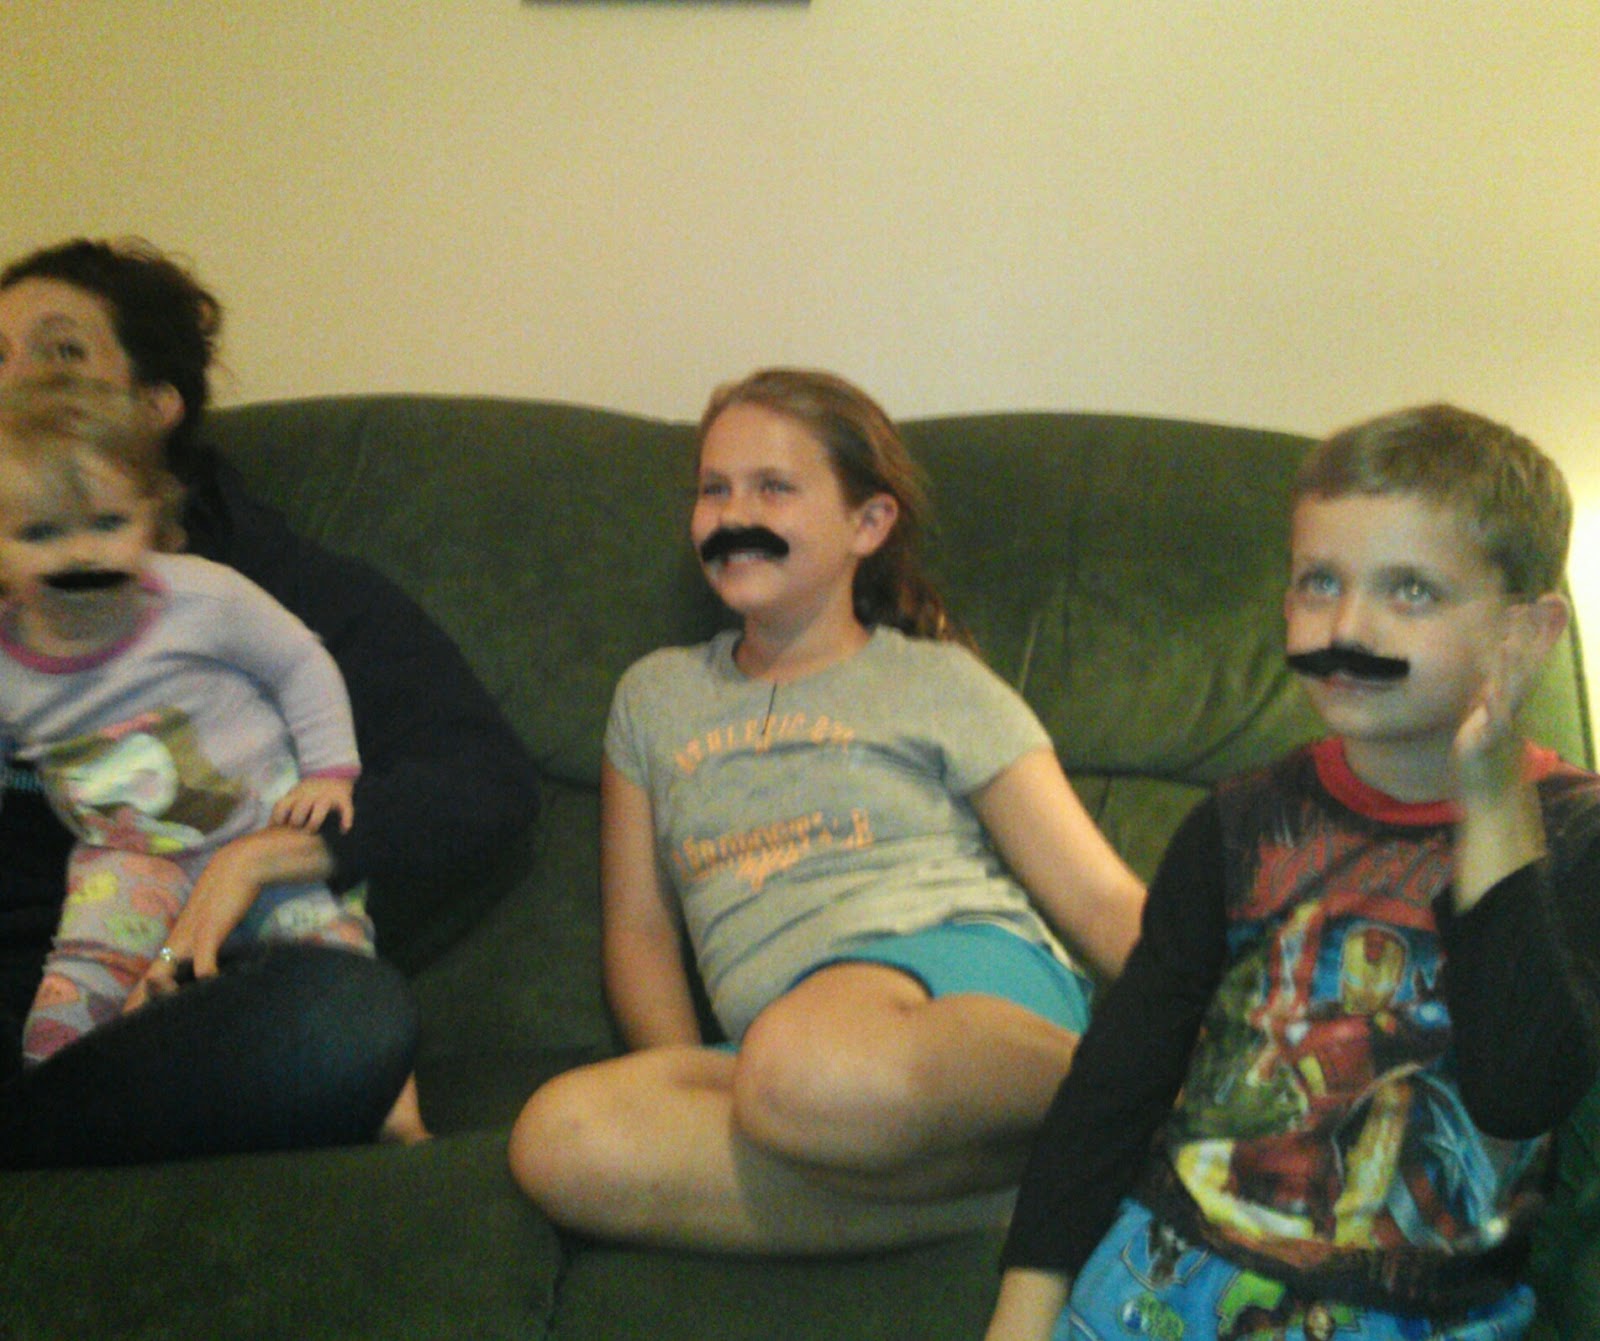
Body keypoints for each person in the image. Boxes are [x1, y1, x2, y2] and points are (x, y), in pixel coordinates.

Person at [987, 405, 1600, 1340]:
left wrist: (1490, 794)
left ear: (1530, 631)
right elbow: (1113, 1087)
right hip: (1163, 1283)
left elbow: (1521, 1090)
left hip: (1423, 1311)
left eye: (1411, 590)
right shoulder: (1236, 824)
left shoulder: (1579, 835)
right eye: (1319, 581)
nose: (1347, 625)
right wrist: (1023, 1312)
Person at [509, 368, 1146, 1253]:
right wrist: (680, 1072)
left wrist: (1217, 1025)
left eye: (774, 487)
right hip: (785, 1061)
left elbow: (1099, 895)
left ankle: (1138, 1095)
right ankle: (1050, 1189)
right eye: (714, 489)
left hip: (958, 989)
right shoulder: (654, 697)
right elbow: (641, 930)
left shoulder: (934, 679)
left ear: (867, 524)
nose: (734, 514)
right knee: (561, 1139)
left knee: (808, 1067)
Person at [0, 239, 540, 1165]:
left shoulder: (260, 587)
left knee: (343, 1017)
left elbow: (484, 779)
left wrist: (262, 855)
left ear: (156, 405)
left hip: (194, 1000)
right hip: (37, 981)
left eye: (61, 355)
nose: (15, 386)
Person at [0, 377, 371, 1063]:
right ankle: (58, 1091)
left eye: (107, 524)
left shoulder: (202, 597)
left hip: (262, 826)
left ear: (150, 516)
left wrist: (329, 770)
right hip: (126, 858)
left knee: (339, 969)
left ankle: (396, 1111)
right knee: (76, 985)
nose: (80, 554)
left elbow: (299, 662)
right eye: (41, 533)